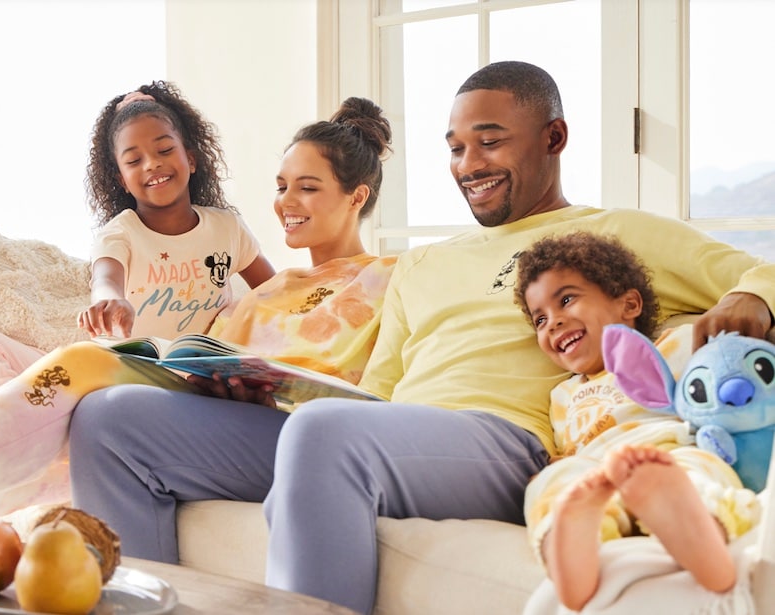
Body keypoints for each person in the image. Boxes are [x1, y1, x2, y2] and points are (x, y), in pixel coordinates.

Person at [67, 61, 775, 615]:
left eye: (490, 141)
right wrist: (261, 390)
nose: (470, 163)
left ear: (553, 138)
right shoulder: (427, 262)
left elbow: (757, 269)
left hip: (500, 441)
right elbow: (376, 390)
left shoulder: (615, 231)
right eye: (457, 146)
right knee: (110, 419)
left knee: (323, 433)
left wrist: (748, 295)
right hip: (378, 430)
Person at [0, 96, 396, 517]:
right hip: (207, 399)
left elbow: (383, 375)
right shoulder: (269, 290)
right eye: (281, 187)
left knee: (86, 368)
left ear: (356, 197)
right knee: (78, 368)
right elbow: (125, 287)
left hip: (299, 426)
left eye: (307, 187)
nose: (285, 202)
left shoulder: (390, 277)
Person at [0, 80, 275, 403]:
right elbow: (106, 279)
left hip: (190, 386)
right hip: (113, 376)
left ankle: (42, 426)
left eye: (165, 149)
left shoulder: (226, 228)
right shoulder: (120, 233)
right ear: (122, 180)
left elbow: (277, 293)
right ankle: (14, 414)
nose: (152, 163)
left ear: (192, 158)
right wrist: (111, 301)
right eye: (134, 160)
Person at [513, 231, 759, 611]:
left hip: (668, 447)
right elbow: (566, 449)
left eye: (566, 300)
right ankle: (576, 543)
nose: (553, 322)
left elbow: (719, 384)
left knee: (698, 468)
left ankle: (699, 529)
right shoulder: (560, 396)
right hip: (596, 470)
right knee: (550, 486)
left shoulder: (675, 344)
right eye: (540, 318)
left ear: (629, 303)